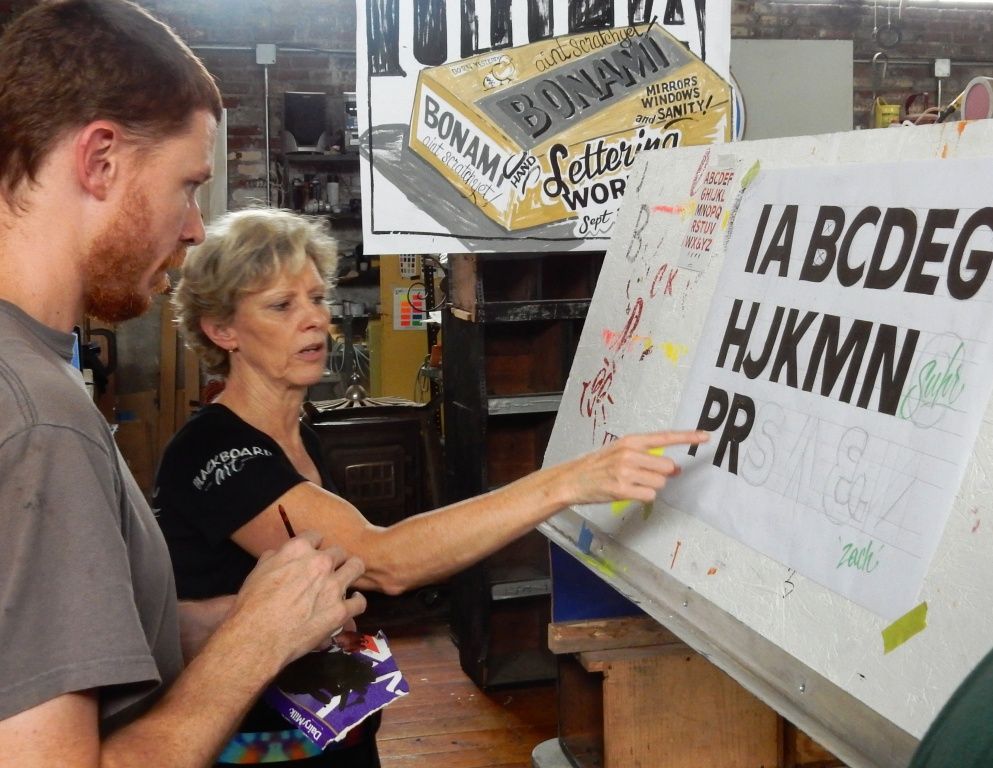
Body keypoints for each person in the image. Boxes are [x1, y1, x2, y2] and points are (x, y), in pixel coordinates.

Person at [153, 206, 710, 766]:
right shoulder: (215, 449)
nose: (315, 320)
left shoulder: (299, 433)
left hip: (327, 729)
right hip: (252, 747)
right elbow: (381, 560)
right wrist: (565, 482)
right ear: (222, 330)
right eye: (281, 306)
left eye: (317, 298)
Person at [0, 3, 366, 767]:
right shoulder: (39, 419)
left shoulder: (33, 372)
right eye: (188, 185)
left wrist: (232, 620)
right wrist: (252, 645)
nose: (195, 227)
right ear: (101, 160)